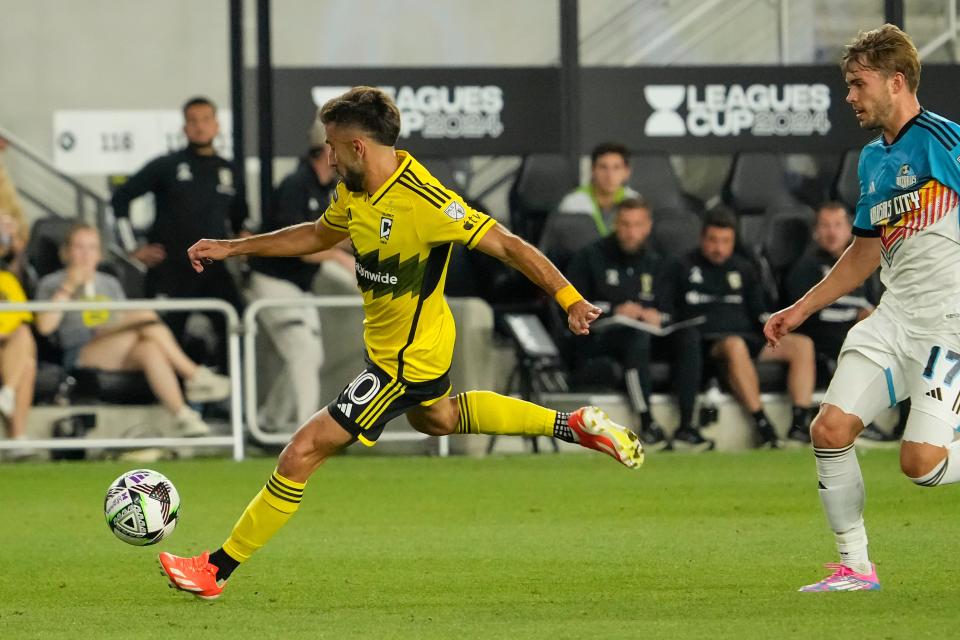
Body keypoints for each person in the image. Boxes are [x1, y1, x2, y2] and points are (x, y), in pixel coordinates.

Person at [158, 86, 643, 600]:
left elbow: (509, 244)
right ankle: (574, 427)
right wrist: (233, 247)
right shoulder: (354, 188)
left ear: (358, 147)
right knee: (439, 419)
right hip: (409, 347)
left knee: (300, 453)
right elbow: (319, 235)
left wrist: (568, 298)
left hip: (403, 363)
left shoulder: (426, 202)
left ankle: (217, 568)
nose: (327, 154)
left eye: (332, 144)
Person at [765, 24, 960, 592]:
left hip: (947, 328)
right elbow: (863, 253)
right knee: (829, 429)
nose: (849, 96)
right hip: (893, 318)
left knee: (921, 465)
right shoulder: (873, 159)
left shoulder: (945, 143)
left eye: (858, 83)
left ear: (896, 82)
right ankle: (855, 567)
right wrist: (798, 309)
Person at [34, 224, 231, 437]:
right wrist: (68, 287)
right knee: (145, 315)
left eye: (91, 248)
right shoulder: (52, 283)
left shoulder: (108, 283)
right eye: (79, 247)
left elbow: (120, 318)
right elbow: (45, 327)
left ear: (99, 253)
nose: (85, 254)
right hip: (79, 350)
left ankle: (182, 415)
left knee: (150, 348)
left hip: (115, 341)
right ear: (66, 252)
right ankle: (194, 375)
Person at [660, 207, 816, 449]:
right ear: (702, 238)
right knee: (735, 345)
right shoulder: (681, 266)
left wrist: (773, 327)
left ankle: (799, 425)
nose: (718, 247)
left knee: (802, 345)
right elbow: (669, 312)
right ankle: (763, 425)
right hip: (709, 344)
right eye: (713, 240)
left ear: (734, 241)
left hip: (750, 336)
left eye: (725, 241)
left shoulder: (744, 268)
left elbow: (760, 310)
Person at [110, 96, 247, 369]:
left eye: (206, 120)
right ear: (184, 128)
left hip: (213, 268)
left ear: (217, 126)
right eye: (193, 121)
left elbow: (240, 220)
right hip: (170, 268)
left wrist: (242, 248)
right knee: (165, 334)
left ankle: (228, 397)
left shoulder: (229, 170)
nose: (200, 126)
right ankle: (172, 402)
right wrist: (133, 248)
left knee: (239, 324)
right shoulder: (167, 166)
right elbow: (120, 198)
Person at [567, 197, 705, 451]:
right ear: (615, 224)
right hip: (602, 337)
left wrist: (659, 316)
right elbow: (573, 304)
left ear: (648, 226)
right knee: (634, 339)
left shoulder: (662, 261)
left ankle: (687, 426)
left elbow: (676, 308)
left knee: (689, 338)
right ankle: (647, 423)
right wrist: (615, 310)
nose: (631, 233)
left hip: (653, 334)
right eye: (625, 225)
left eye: (638, 225)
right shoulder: (591, 257)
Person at [246, 123, 354, 432]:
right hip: (273, 283)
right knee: (304, 354)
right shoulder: (296, 185)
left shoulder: (327, 190)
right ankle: (307, 435)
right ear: (327, 150)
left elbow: (332, 235)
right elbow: (300, 248)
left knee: (308, 356)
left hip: (299, 287)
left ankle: (269, 422)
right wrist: (337, 256)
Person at [783, 202, 899, 445]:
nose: (832, 232)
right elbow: (809, 316)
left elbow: (871, 304)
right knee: (855, 344)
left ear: (850, 229)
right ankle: (858, 421)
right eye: (825, 225)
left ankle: (904, 422)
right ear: (816, 231)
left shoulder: (865, 264)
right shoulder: (805, 267)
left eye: (838, 225)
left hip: (853, 330)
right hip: (821, 334)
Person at [538, 143, 640, 267]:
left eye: (616, 168)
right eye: (603, 167)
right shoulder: (572, 203)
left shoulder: (635, 201)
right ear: (593, 170)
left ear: (627, 172)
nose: (609, 175)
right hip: (582, 268)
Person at [0, 267, 36, 460]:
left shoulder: (6, 280)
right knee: (25, 363)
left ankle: (7, 393)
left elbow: (21, 318)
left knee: (24, 335)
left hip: (7, 345)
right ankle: (17, 437)